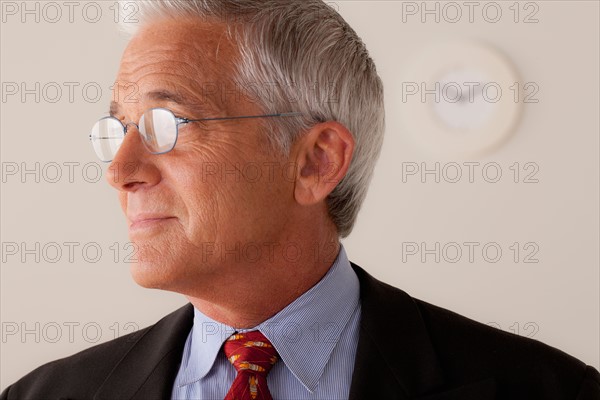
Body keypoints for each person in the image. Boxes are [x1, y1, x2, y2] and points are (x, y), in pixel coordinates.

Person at [2, 1, 599, 399]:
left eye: (166, 124)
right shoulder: (42, 395)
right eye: (118, 130)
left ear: (316, 161)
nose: (121, 171)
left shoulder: (549, 390)